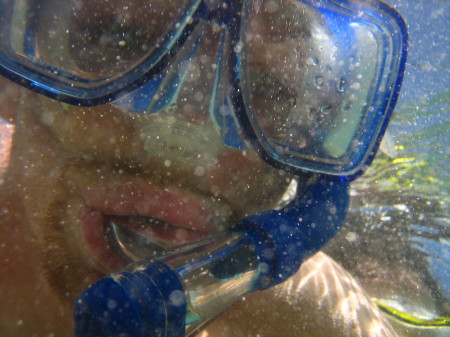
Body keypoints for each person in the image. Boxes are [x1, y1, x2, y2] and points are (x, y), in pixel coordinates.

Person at [0, 0, 407, 336]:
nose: (179, 142)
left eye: (267, 90)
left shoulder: (312, 317)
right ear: (10, 84)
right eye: (120, 39)